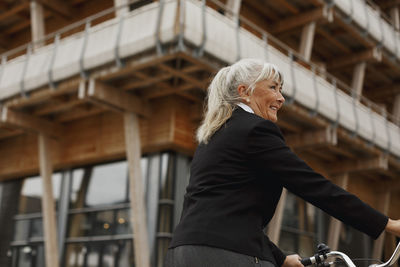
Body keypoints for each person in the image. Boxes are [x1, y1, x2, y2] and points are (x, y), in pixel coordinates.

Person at [164, 59, 400, 267]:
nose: (281, 98)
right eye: (273, 87)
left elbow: (226, 210)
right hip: (229, 254)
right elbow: (313, 185)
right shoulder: (256, 129)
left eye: (281, 89)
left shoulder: (214, 136)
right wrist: (387, 224)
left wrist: (280, 257)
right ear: (245, 91)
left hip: (184, 251)